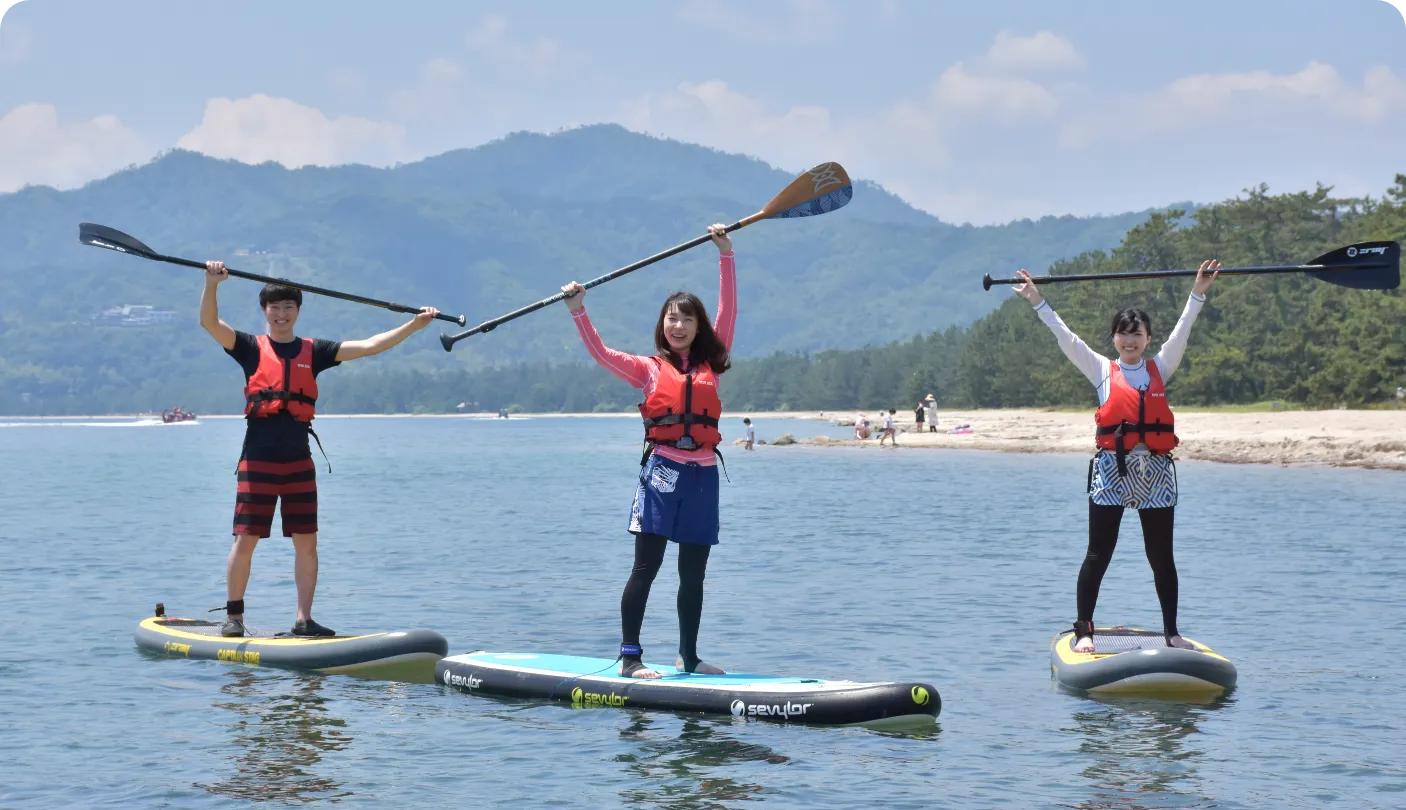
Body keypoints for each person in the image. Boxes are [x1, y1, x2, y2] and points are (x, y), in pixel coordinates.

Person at [201, 261, 440, 638]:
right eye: (275, 307)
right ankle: (234, 618)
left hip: (298, 462)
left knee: (307, 544)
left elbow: (371, 346)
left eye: (288, 307)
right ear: (264, 310)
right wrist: (212, 284)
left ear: (298, 311)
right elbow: (210, 323)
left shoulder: (315, 352)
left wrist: (414, 324)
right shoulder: (249, 348)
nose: (281, 314)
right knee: (245, 540)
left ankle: (304, 619)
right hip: (258, 460)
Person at [1011, 260, 1221, 653]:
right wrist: (1037, 300)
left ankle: (1172, 633)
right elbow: (1065, 336)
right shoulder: (1101, 370)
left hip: (1155, 473)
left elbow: (1182, 331)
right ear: (1114, 338)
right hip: (1112, 471)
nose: (1130, 340)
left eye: (1137, 333)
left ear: (1147, 338)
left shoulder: (1161, 367)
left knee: (1161, 557)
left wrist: (1198, 293)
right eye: (1124, 333)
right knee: (1098, 554)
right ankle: (1084, 631)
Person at [560, 224, 735, 679]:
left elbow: (728, 311)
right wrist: (579, 311)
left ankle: (688, 656)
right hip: (662, 475)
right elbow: (601, 353)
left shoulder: (712, 365)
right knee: (646, 567)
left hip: (702, 477)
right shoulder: (647, 369)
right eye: (671, 319)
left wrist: (726, 255)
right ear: (662, 324)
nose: (678, 326)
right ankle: (630, 658)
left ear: (699, 327)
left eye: (687, 320)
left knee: (693, 573)